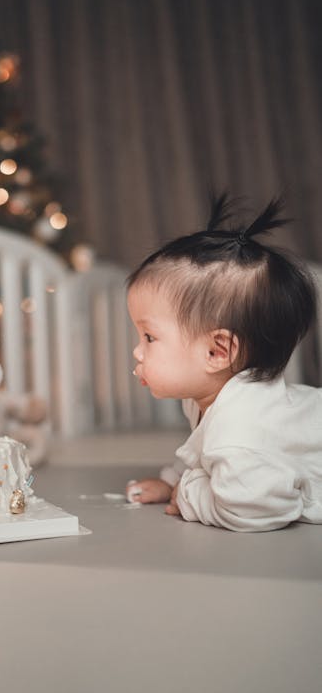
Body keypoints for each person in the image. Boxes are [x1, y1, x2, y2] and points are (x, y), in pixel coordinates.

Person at [126, 195, 322, 531]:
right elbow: (203, 453)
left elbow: (255, 509)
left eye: (149, 338)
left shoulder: (240, 429)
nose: (137, 352)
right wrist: (175, 480)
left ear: (217, 352)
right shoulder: (207, 401)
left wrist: (187, 494)